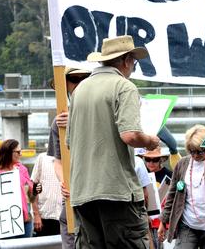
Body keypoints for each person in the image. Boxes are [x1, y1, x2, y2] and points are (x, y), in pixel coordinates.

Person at [67, 35, 160, 248]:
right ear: (127, 60)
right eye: (134, 63)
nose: (132, 68)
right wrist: (150, 141)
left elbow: (70, 142)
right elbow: (130, 135)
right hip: (116, 191)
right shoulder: (123, 86)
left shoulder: (79, 90)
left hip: (83, 193)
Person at [159, 125, 205, 249]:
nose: (195, 155)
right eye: (191, 151)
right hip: (187, 225)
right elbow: (172, 194)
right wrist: (163, 221)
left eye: (199, 151)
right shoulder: (182, 164)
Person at [47, 67, 91, 248]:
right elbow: (58, 161)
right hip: (72, 202)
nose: (79, 83)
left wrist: (74, 122)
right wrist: (65, 182)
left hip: (98, 198)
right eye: (74, 79)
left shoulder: (102, 113)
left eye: (84, 78)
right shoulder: (59, 123)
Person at [0, 139, 41, 238]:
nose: (21, 154)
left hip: (25, 221)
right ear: (8, 153)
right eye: (18, 152)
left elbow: (31, 196)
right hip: (4, 223)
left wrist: (35, 192)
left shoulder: (22, 169)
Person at [141, 146, 173, 249]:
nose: (151, 163)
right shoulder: (141, 174)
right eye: (147, 160)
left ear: (161, 160)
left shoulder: (170, 175)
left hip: (163, 222)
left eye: (154, 160)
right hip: (147, 221)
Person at [31, 152, 62, 236]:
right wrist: (36, 215)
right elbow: (32, 188)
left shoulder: (70, 158)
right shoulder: (42, 158)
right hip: (44, 218)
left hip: (65, 218)